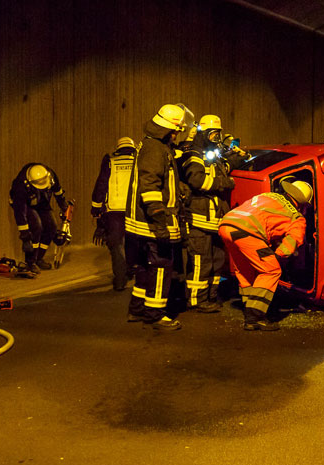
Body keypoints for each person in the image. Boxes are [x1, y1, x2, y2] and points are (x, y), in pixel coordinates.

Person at [219, 178, 312, 331]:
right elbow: (293, 240)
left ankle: (249, 307)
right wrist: (279, 255)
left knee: (245, 270)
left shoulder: (267, 196)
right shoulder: (296, 216)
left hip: (226, 225)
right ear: (301, 203)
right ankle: (255, 317)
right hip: (248, 231)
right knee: (271, 270)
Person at [125, 104, 187, 331]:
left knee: (144, 266)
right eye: (176, 130)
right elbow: (149, 185)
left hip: (140, 222)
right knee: (161, 266)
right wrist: (159, 219)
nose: (177, 134)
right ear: (170, 129)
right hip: (153, 222)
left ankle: (137, 309)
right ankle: (155, 314)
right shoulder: (155, 149)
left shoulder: (151, 145)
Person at [177, 115, 237, 313]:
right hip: (200, 221)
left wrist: (235, 160)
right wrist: (224, 183)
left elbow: (221, 169)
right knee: (202, 263)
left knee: (218, 261)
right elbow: (197, 181)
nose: (216, 137)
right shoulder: (193, 155)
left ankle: (211, 296)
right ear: (202, 134)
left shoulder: (213, 155)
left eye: (218, 133)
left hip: (215, 220)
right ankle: (196, 300)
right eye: (212, 133)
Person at [90, 137, 136, 291]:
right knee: (134, 242)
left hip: (114, 210)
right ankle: (131, 270)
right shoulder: (139, 161)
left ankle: (120, 280)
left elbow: (101, 184)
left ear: (118, 148)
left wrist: (96, 209)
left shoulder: (110, 161)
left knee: (117, 245)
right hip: (135, 210)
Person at [10, 163, 69, 275]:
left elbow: (58, 191)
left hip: (41, 201)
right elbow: (20, 213)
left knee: (52, 227)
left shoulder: (50, 176)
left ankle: (39, 258)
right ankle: (30, 262)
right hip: (25, 204)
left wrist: (63, 205)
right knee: (36, 227)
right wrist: (25, 237)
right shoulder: (20, 186)